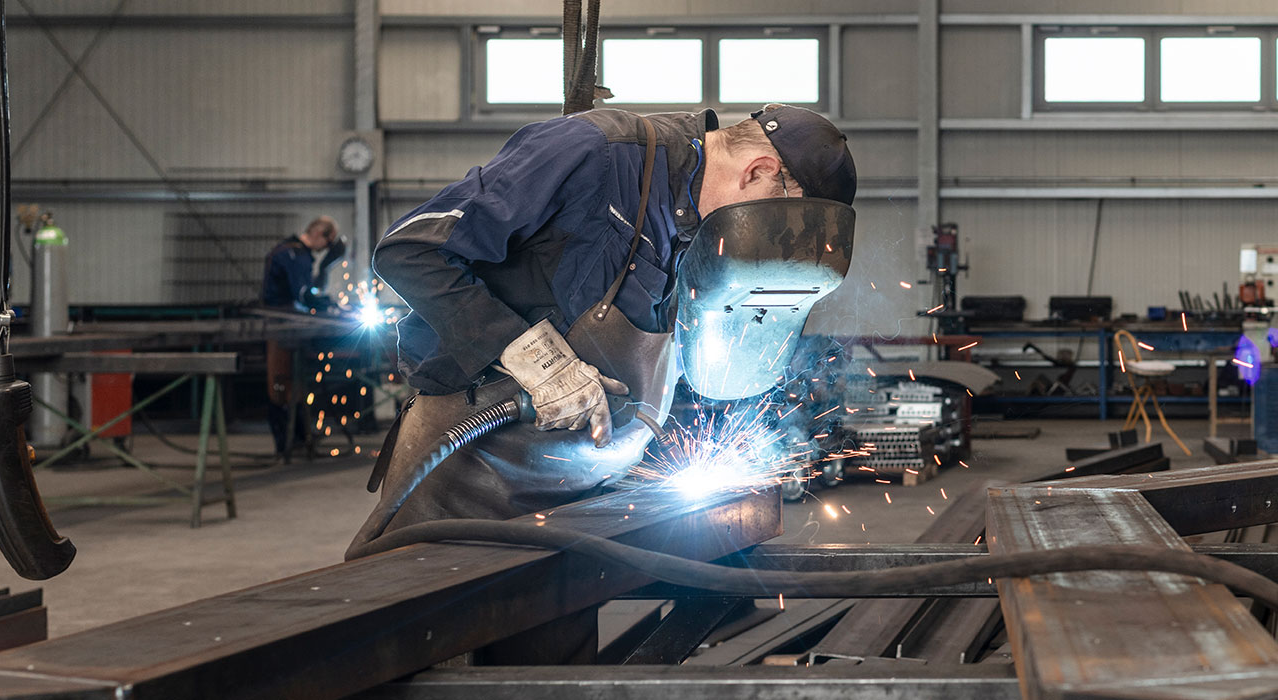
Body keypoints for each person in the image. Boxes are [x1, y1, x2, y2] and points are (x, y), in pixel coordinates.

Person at [347, 104, 856, 559]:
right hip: (473, 465)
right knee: (438, 641)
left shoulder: (702, 228)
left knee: (553, 664)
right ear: (759, 172)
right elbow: (409, 251)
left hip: (579, 497)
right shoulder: (595, 154)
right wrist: (531, 357)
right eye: (776, 224)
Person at [261, 216, 346, 456]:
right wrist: (327, 303)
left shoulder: (292, 252)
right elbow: (303, 295)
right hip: (281, 325)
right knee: (281, 384)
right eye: (326, 245)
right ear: (321, 234)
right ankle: (287, 443)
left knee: (293, 384)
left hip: (289, 324)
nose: (323, 252)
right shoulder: (294, 255)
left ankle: (297, 438)